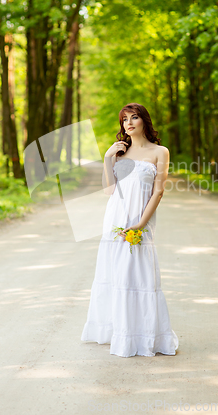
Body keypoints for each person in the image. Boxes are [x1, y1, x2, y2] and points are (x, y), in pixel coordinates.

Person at [81, 102, 179, 357]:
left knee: (138, 273)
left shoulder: (160, 152)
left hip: (140, 220)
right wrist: (107, 158)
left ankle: (142, 335)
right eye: (125, 120)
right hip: (115, 218)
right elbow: (109, 191)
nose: (129, 123)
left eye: (134, 117)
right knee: (117, 274)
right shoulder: (120, 154)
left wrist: (141, 224)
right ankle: (117, 332)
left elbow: (158, 191)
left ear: (144, 120)